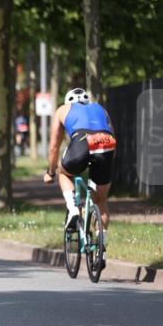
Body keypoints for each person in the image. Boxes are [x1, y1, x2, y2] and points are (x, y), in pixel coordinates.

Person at [43, 88, 116, 257]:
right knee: (101, 200)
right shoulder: (100, 109)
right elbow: (112, 134)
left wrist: (50, 172)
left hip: (83, 141)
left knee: (64, 173)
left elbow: (54, 147)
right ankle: (101, 248)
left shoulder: (63, 109)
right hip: (107, 143)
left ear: (69, 101)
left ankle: (73, 209)